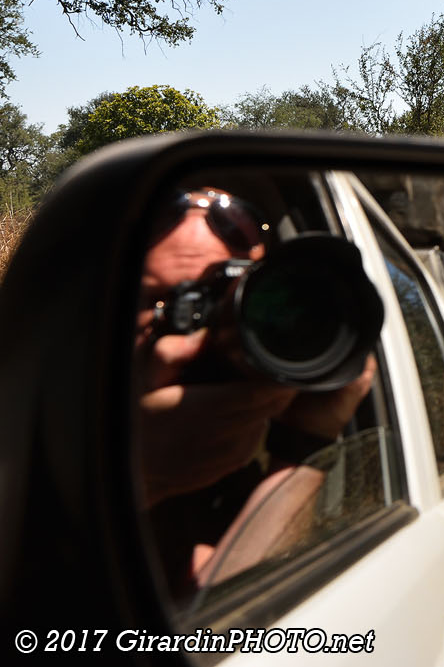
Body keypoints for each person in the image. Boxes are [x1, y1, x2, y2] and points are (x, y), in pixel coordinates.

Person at [135, 188, 375, 598]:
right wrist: (140, 476)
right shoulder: (54, 417)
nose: (195, 331)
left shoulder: (268, 436)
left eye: (226, 297)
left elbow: (221, 624)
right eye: (161, 303)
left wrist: (304, 441)